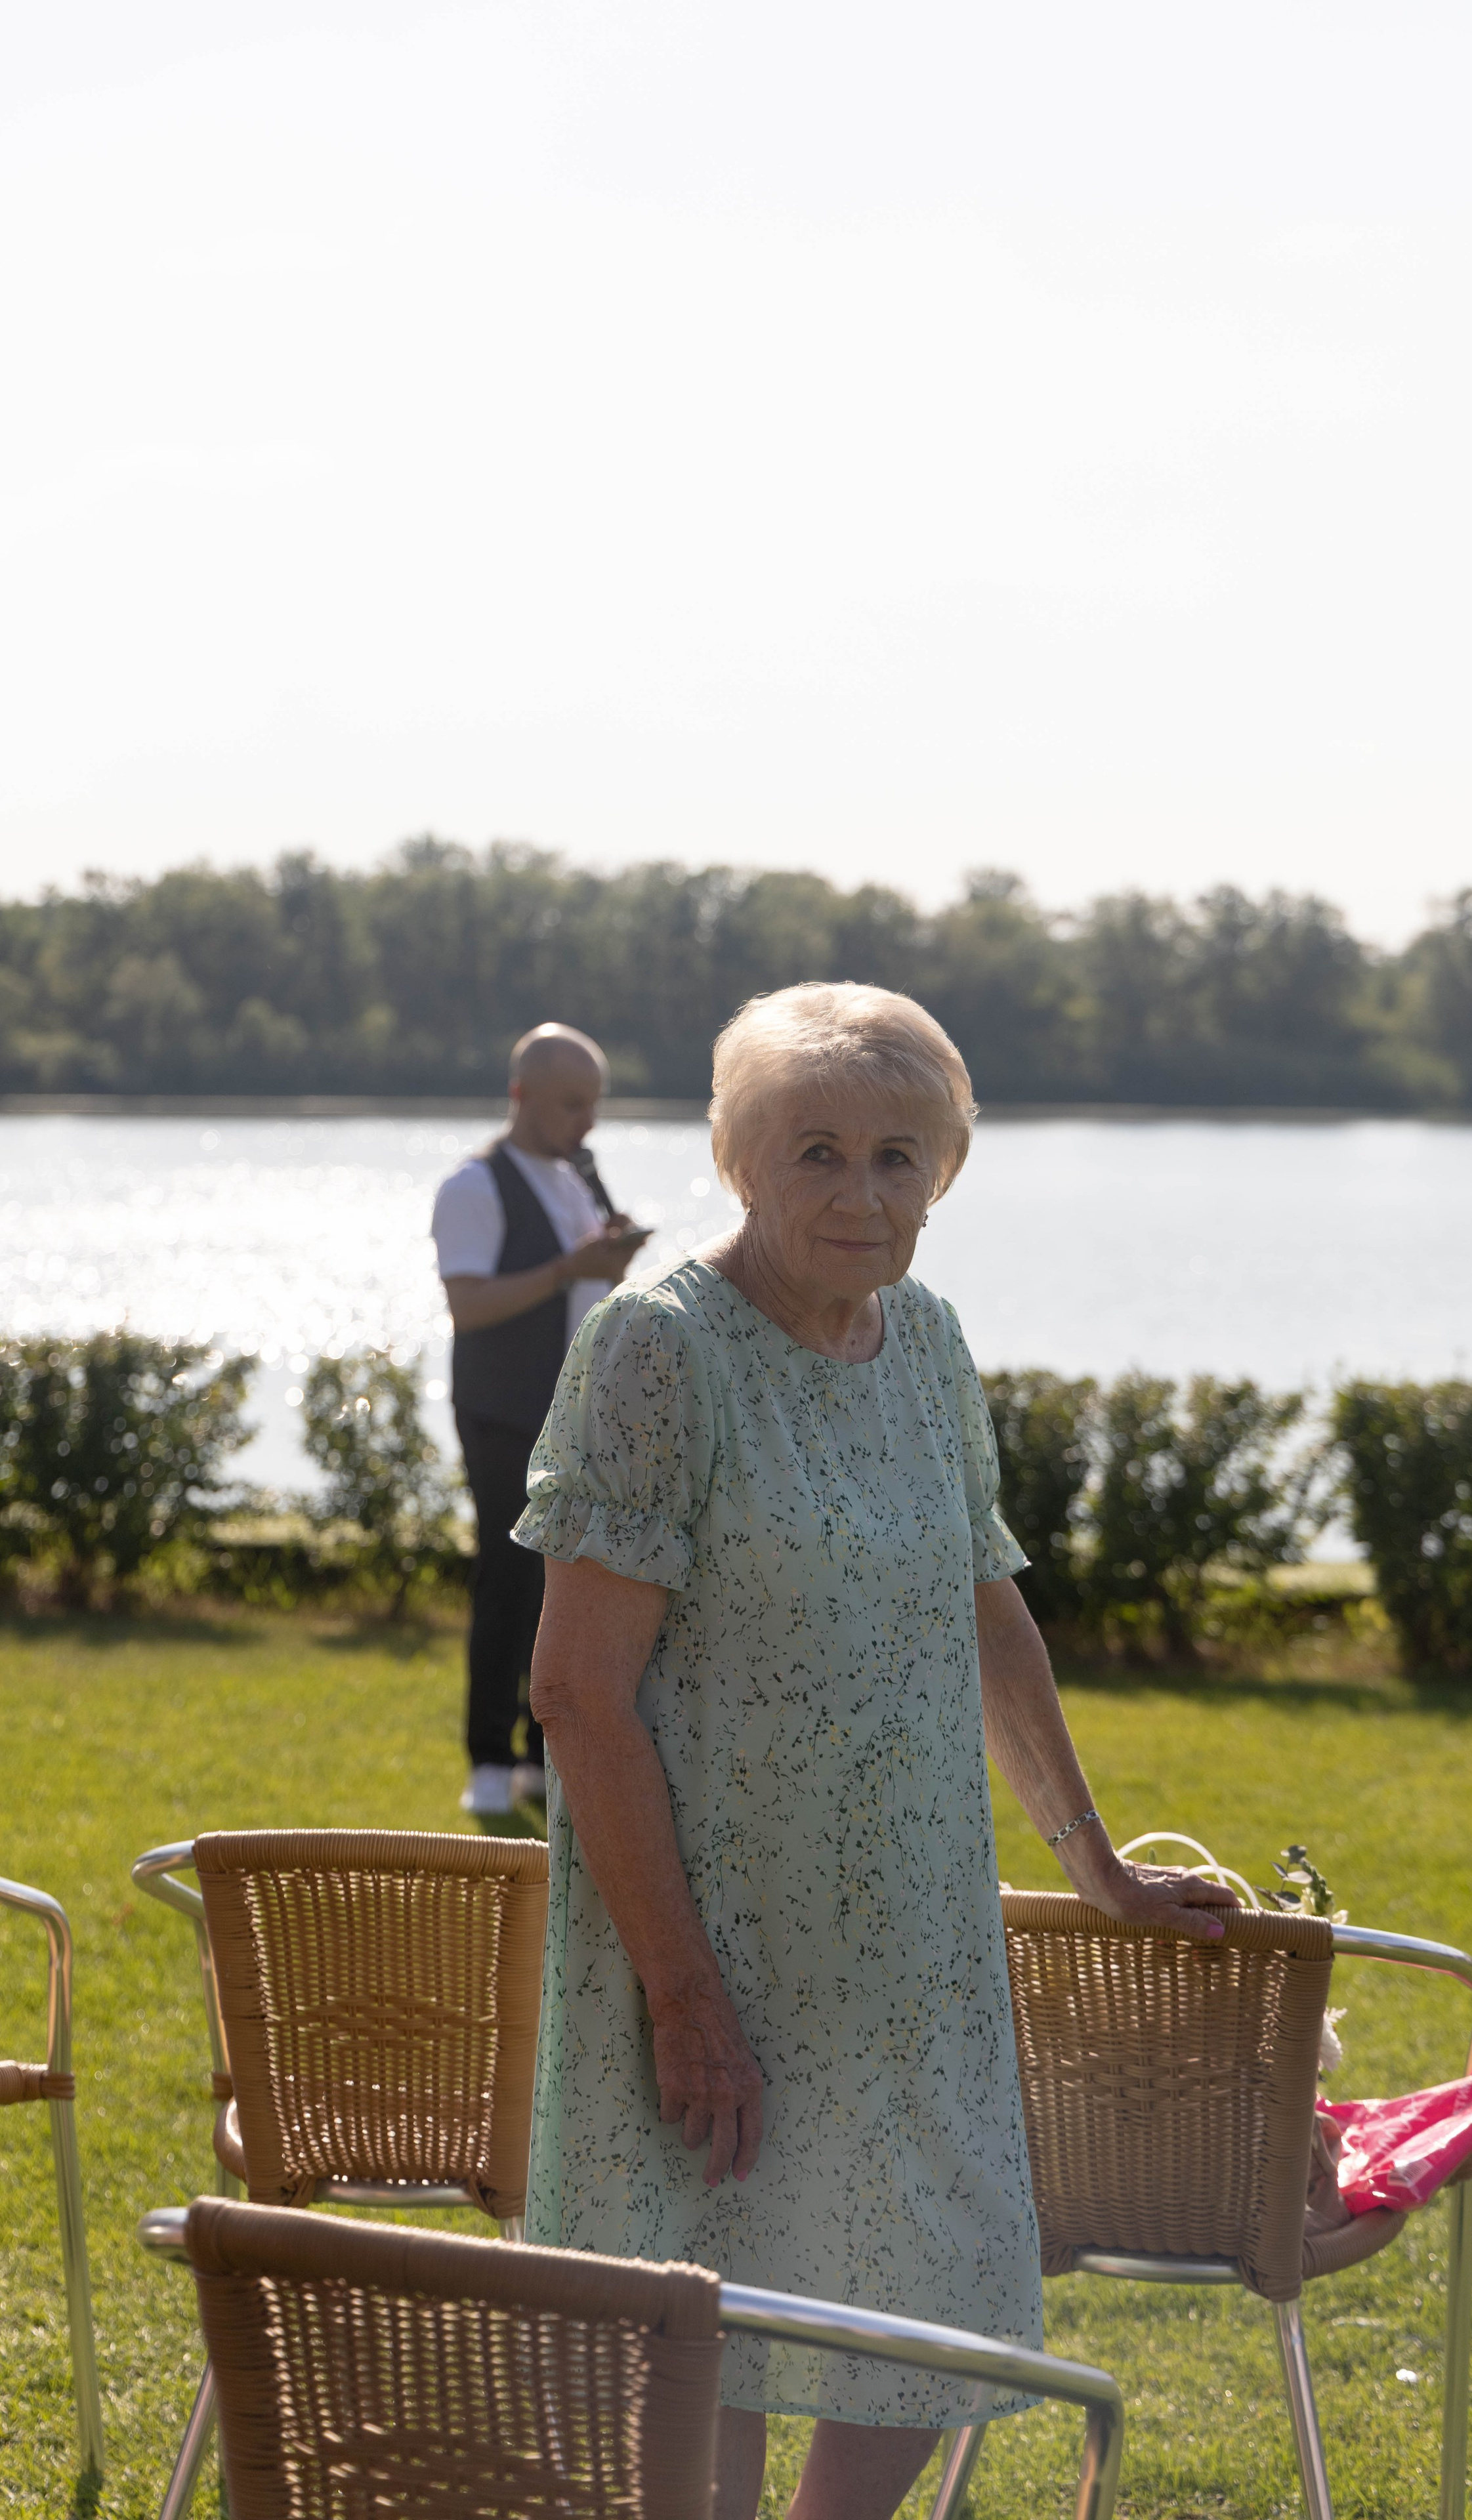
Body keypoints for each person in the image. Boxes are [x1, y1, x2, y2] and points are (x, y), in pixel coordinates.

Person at [515, 982, 1240, 2520]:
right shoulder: (655, 1350)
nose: (860, 1192)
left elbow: (985, 1609)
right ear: (737, 1161)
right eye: (816, 1152)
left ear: (944, 1172)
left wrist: (1096, 1864)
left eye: (897, 1156)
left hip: (911, 1943)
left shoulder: (926, 1341)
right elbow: (575, 1695)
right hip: (704, 1939)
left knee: (934, 2288)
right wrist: (679, 1991)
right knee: (704, 2316)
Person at [432, 1024, 650, 1816]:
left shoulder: (574, 1175)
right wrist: (569, 1268)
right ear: (520, 1095)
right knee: (506, 1577)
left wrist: (609, 1261)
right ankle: (487, 1760)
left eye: (593, 1105)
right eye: (569, 1105)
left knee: (564, 1585)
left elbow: (586, 1284)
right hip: (502, 1406)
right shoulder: (473, 1185)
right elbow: (468, 1305)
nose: (585, 1123)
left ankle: (535, 1754)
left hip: (573, 1409)